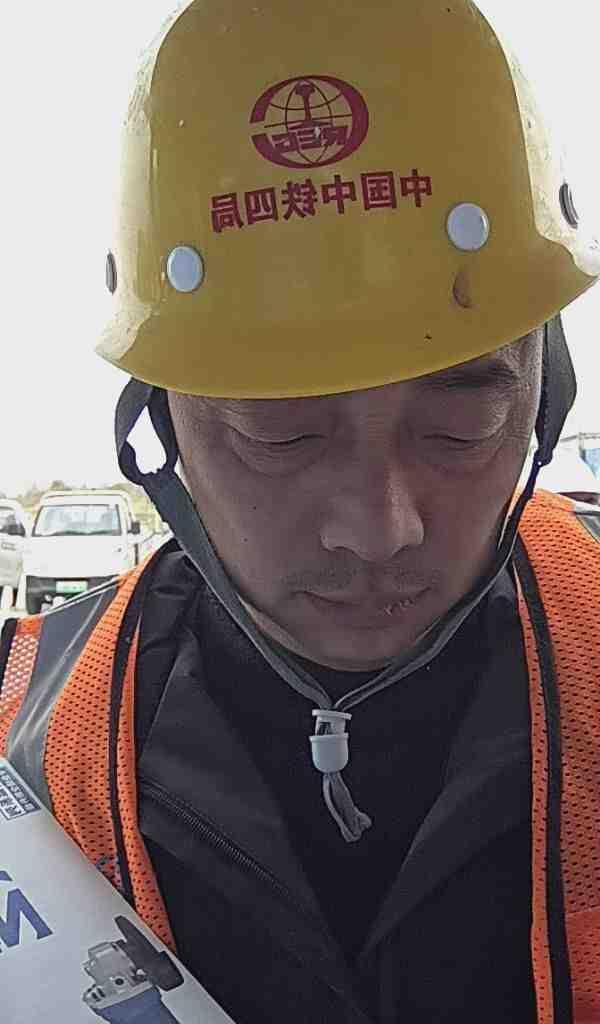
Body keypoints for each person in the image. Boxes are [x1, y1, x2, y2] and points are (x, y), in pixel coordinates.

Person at [2, 2, 600, 1021]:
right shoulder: (27, 747)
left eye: (461, 422)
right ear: (163, 421)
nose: (380, 528)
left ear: (544, 391)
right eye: (278, 435)